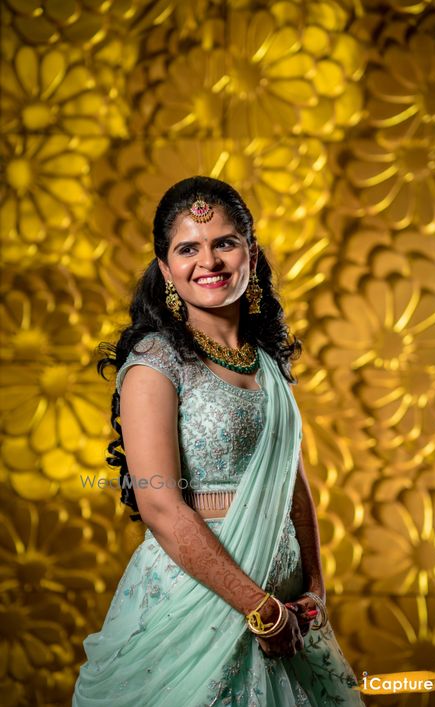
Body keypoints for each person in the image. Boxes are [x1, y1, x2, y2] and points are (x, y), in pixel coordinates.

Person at [72, 176, 365, 706]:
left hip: (287, 608)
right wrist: (256, 605)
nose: (208, 261)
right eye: (188, 249)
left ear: (250, 253)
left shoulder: (268, 360)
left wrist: (315, 588)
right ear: (166, 269)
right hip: (197, 603)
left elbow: (292, 482)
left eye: (224, 243)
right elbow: (160, 506)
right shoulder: (156, 364)